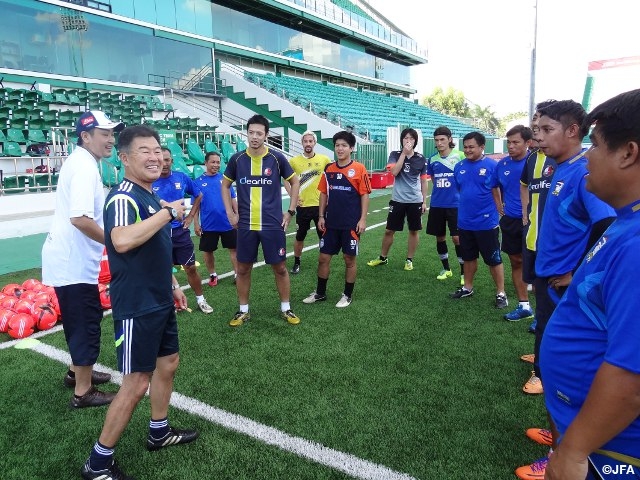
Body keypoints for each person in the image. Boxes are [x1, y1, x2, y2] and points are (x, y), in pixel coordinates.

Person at [81, 125, 198, 480]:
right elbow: (121, 240)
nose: (155, 156)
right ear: (125, 158)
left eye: (158, 149)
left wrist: (172, 282)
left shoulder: (148, 195)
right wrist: (167, 213)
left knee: (169, 363)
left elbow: (153, 250)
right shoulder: (124, 197)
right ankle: (97, 464)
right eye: (144, 151)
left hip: (159, 298)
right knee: (136, 382)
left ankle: (158, 432)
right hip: (137, 304)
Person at [514, 100, 616, 480]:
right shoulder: (557, 167)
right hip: (548, 275)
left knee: (563, 371)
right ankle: (558, 435)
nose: (536, 137)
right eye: (536, 129)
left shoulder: (581, 172)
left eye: (544, 129)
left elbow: (605, 223)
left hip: (563, 283)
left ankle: (563, 452)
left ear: (573, 130)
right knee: (549, 356)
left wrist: (576, 270)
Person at [541, 89, 640, 479]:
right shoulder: (626, 222)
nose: (587, 158)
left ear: (628, 153)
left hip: (612, 450)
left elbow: (632, 376)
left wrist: (575, 450)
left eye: (594, 146)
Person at [41, 110, 121, 409]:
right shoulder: (85, 167)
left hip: (71, 260)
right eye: (104, 133)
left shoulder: (84, 162)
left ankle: (76, 373)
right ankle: (83, 392)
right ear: (85, 136)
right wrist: (114, 243)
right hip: (71, 262)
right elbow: (80, 219)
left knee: (82, 320)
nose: (111, 139)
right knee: (86, 323)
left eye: (112, 133)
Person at [221, 114, 301, 327]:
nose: (254, 137)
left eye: (259, 133)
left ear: (266, 135)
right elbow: (224, 185)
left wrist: (290, 211)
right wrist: (230, 213)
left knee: (280, 268)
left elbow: (295, 181)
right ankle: (243, 310)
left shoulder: (276, 158)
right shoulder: (237, 159)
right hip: (246, 225)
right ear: (246, 133)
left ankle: (286, 308)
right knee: (243, 269)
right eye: (251, 132)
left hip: (272, 224)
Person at [303, 130, 371, 308]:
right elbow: (324, 194)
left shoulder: (359, 169)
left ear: (351, 148)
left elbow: (364, 195)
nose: (340, 149)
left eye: (344, 145)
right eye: (337, 145)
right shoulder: (329, 169)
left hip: (350, 224)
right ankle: (320, 293)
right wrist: (320, 216)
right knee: (323, 258)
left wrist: (362, 219)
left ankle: (347, 295)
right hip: (330, 223)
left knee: (349, 260)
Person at [449, 131, 508, 308]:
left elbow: (500, 189)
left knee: (494, 259)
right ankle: (467, 287)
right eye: (465, 147)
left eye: (471, 147)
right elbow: (461, 189)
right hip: (465, 222)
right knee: (468, 257)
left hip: (486, 223)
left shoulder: (492, 166)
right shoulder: (459, 166)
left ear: (482, 147)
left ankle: (500, 293)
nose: (467, 150)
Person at [152, 148, 213, 314]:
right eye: (161, 160)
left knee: (191, 268)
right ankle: (170, 302)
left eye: (167, 160)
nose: (164, 163)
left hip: (180, 232)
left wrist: (191, 216)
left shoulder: (181, 177)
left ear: (172, 160)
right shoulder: (150, 180)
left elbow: (198, 195)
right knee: (164, 270)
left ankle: (201, 299)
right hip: (159, 232)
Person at [367, 127, 428, 271]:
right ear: (402, 140)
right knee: (389, 230)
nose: (408, 141)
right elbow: (394, 172)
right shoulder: (394, 155)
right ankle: (383, 257)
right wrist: (404, 155)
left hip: (415, 200)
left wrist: (424, 201)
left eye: (411, 138)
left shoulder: (421, 158)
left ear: (415, 141)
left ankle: (409, 259)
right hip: (397, 199)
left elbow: (424, 181)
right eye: (406, 138)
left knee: (414, 230)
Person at [492, 125, 534, 321]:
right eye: (509, 142)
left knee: (539, 264)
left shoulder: (536, 162)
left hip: (534, 221)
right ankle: (524, 305)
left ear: (528, 143)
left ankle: (544, 312)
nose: (511, 146)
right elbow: (494, 186)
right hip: (510, 220)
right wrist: (499, 205)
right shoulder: (503, 165)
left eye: (516, 142)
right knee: (515, 261)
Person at [286, 130, 332, 274]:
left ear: (314, 143)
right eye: (305, 141)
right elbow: (286, 180)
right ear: (302, 143)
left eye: (310, 141)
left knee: (323, 236)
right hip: (303, 206)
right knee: (300, 237)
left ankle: (323, 262)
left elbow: (330, 177)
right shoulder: (294, 161)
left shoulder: (324, 159)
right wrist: (293, 196)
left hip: (320, 207)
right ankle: (297, 262)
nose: (308, 144)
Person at [425, 126, 465, 284]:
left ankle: (463, 273)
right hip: (437, 204)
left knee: (457, 238)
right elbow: (434, 181)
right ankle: (446, 269)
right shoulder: (432, 159)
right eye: (437, 140)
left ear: (450, 139)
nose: (439, 143)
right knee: (439, 237)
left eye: (442, 139)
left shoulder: (460, 156)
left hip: (456, 204)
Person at [194, 151, 238, 286]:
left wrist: (237, 214)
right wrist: (196, 224)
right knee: (208, 251)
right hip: (208, 225)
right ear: (206, 163)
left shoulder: (225, 180)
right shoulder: (197, 182)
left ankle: (237, 274)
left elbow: (232, 198)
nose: (216, 165)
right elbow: (196, 206)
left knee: (234, 249)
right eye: (213, 162)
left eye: (218, 162)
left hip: (228, 222)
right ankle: (213, 275)